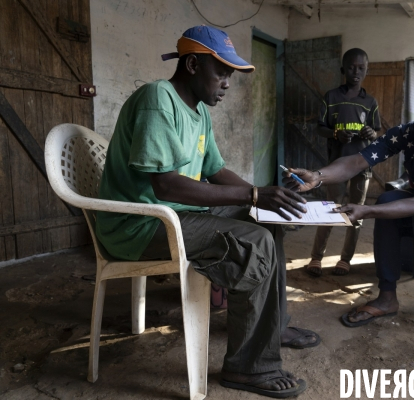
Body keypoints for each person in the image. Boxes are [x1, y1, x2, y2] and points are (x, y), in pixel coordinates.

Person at [96, 25, 320, 398]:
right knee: (255, 243)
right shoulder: (158, 99)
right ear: (193, 64)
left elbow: (215, 172)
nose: (227, 83)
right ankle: (249, 368)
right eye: (222, 72)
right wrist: (251, 194)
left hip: (173, 215)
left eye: (230, 75)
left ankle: (273, 326)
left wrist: (266, 198)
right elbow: (164, 186)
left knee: (267, 224)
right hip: (139, 225)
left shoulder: (199, 113)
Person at [284, 91, 414, 353]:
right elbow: (358, 160)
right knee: (388, 199)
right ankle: (387, 297)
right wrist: (318, 176)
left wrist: (366, 211)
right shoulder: (409, 133)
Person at [306, 48, 381, 277]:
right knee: (330, 210)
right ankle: (316, 257)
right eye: (351, 67)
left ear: (366, 70)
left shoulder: (370, 102)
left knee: (355, 213)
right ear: (342, 70)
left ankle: (345, 259)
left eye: (361, 68)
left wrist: (371, 133)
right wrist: (335, 134)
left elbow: (377, 132)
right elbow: (320, 127)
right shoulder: (331, 97)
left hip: (361, 166)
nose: (356, 72)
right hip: (336, 166)